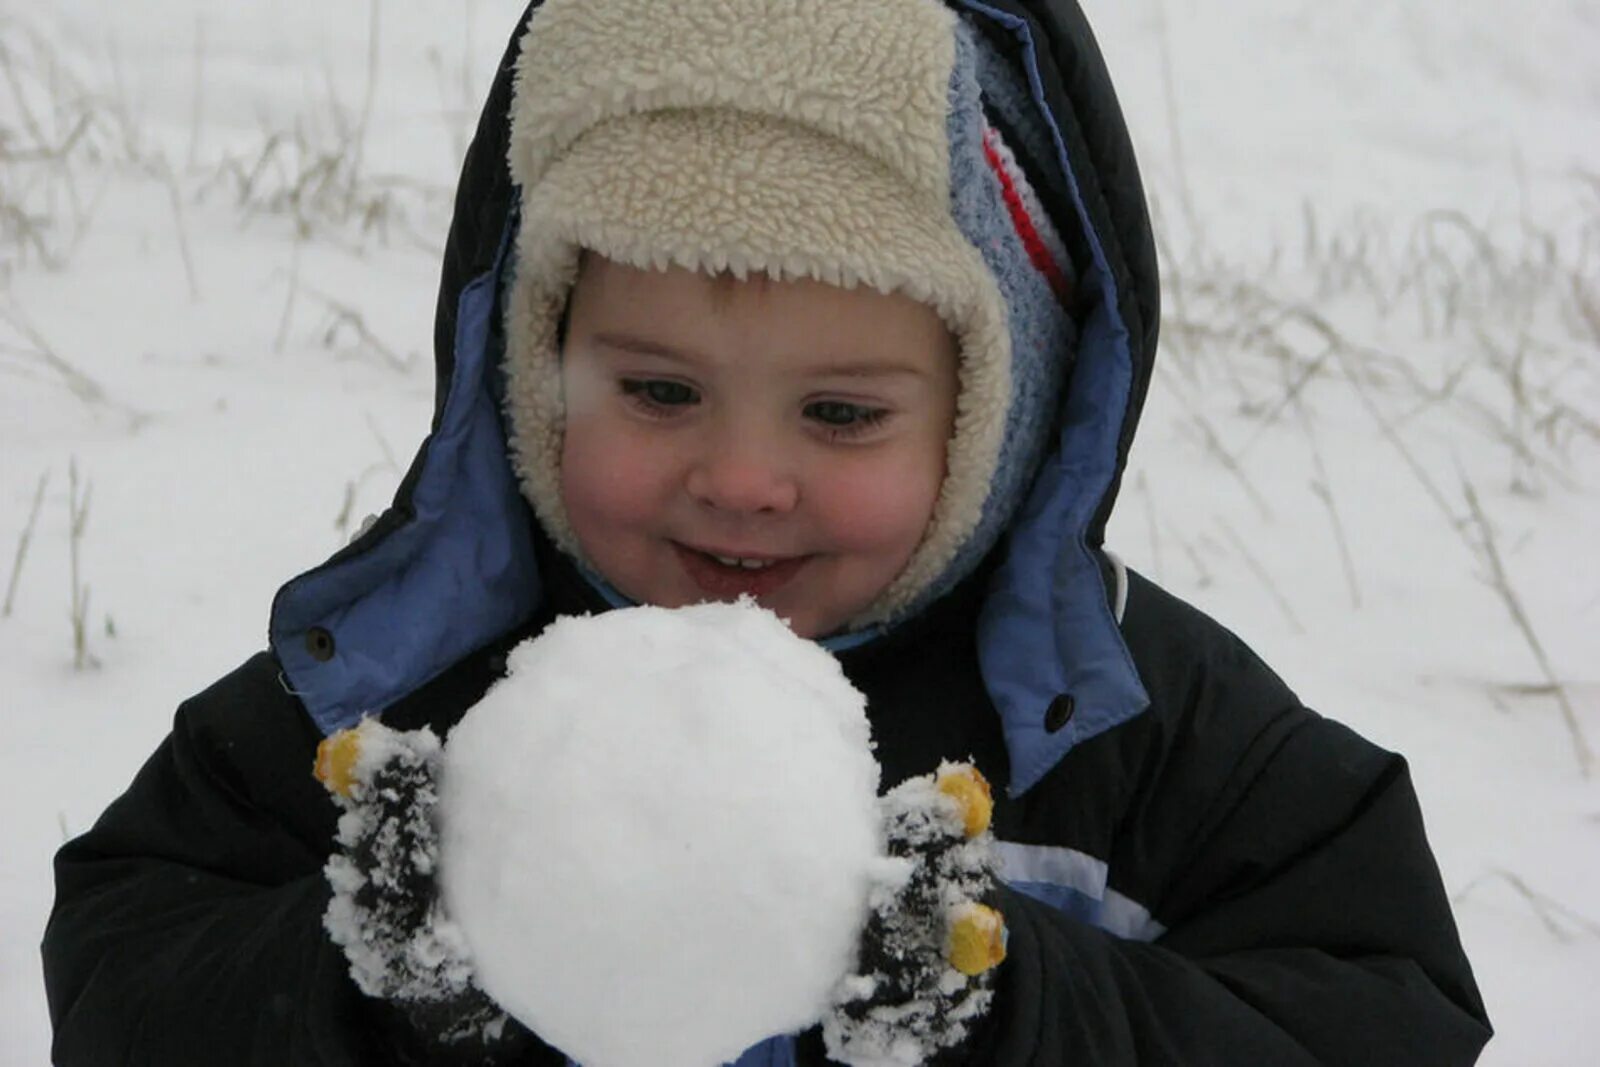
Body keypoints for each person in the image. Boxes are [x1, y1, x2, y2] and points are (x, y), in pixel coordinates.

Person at [41, 0, 1492, 1064]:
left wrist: (1014, 1008)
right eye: (660, 389)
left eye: (842, 415)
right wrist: (360, 984)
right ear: (534, 366)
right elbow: (123, 961)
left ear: (996, 420)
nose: (740, 480)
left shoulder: (1113, 720)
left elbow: (1384, 1011)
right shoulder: (404, 685)